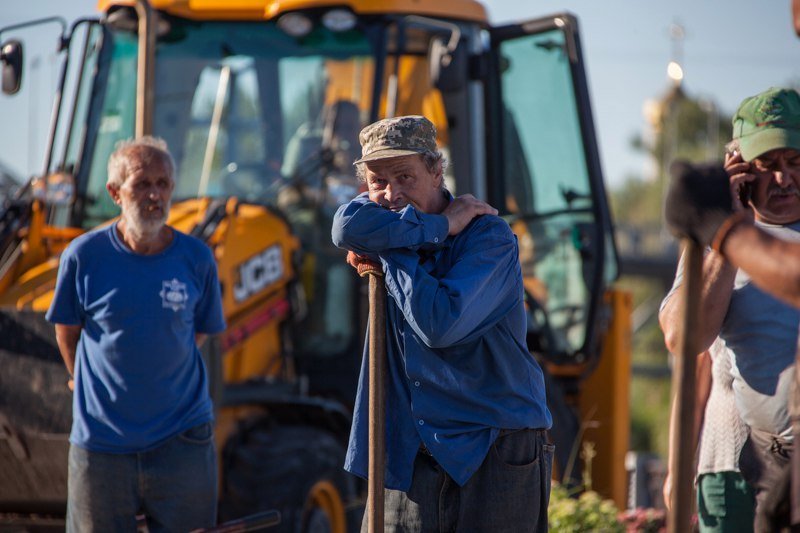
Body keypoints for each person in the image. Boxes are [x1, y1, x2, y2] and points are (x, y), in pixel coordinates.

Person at [331, 115, 554, 532]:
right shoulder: (376, 217)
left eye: (405, 176)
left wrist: (389, 249)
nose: (392, 193)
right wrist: (439, 226)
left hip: (494, 443)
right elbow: (344, 226)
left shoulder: (489, 238)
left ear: (437, 171)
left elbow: (439, 324)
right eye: (378, 181)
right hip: (414, 444)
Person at [46, 136, 226, 532]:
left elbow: (198, 332)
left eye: (163, 184)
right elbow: (66, 332)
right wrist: (80, 378)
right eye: (142, 183)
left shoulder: (196, 259)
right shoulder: (84, 256)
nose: (154, 195)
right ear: (114, 192)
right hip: (102, 445)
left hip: (182, 441)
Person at [663, 87, 800, 532]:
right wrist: (727, 235)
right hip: (737, 458)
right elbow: (688, 346)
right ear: (739, 168)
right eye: (767, 165)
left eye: (795, 161)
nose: (783, 179)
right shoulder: (713, 238)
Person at [662, 341, 754, 532]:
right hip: (725, 467)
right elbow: (691, 395)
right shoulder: (716, 311)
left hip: (789, 466)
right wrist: (676, 470)